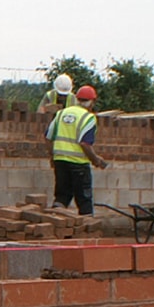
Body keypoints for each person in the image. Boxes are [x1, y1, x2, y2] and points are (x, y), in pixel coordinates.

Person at [44, 74, 110, 215]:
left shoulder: (61, 114)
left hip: (60, 162)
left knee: (62, 196)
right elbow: (85, 143)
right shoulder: (88, 117)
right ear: (92, 102)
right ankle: (87, 231)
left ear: (77, 99)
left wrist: (52, 156)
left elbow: (48, 138)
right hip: (78, 164)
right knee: (84, 199)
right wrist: (96, 159)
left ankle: (56, 223)